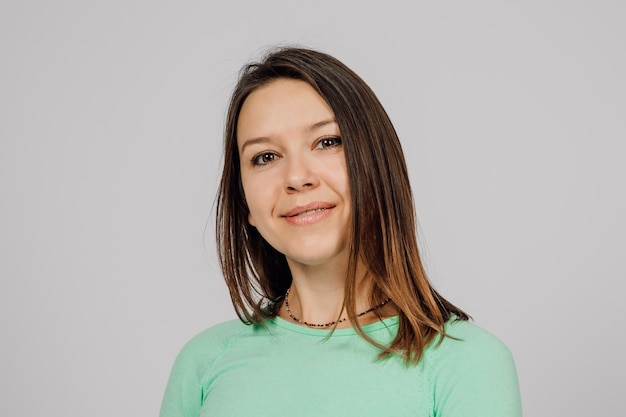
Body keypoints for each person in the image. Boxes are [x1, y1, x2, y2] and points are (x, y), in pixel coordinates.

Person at [159, 46, 522, 417]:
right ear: (245, 204)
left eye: (327, 142)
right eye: (265, 157)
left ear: (377, 165)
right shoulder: (204, 363)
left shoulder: (468, 363)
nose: (297, 178)